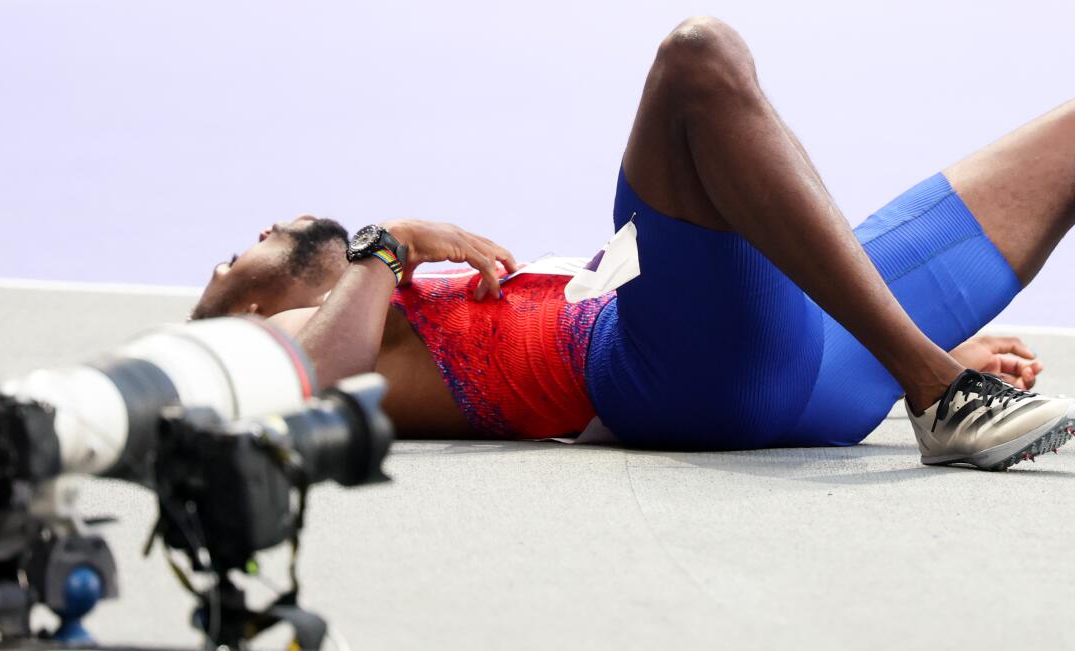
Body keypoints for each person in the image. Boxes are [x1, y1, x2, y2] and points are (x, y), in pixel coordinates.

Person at [191, 16, 1075, 470]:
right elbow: (322, 383)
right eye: (235, 261)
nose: (253, 237)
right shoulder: (275, 342)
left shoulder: (390, 300)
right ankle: (938, 392)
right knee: (697, 60)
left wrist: (892, 362)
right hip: (682, 381)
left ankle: (919, 370)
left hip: (821, 367)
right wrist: (394, 241)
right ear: (257, 309)